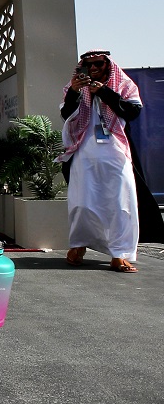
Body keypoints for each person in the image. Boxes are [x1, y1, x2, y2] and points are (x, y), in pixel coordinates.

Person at [59, 50, 143, 272]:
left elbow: (133, 111)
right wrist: (75, 92)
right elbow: (66, 114)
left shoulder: (123, 85)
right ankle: (79, 246)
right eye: (88, 65)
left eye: (98, 64)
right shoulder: (74, 87)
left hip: (116, 153)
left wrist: (104, 92)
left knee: (120, 204)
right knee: (82, 203)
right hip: (83, 153)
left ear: (108, 65)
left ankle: (119, 254)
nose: (93, 68)